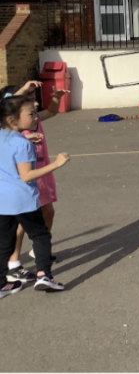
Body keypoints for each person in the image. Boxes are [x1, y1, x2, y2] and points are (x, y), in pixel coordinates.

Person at [1, 95, 69, 296]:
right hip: (23, 200)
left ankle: (2, 284)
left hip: (2, 201)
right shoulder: (23, 145)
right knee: (40, 235)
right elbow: (26, 175)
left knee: (5, 242)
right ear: (13, 120)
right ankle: (44, 275)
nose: (35, 117)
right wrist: (56, 164)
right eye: (30, 114)